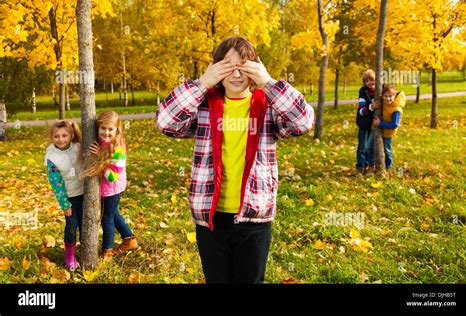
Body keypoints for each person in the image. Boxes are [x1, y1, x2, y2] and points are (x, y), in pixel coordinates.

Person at [157, 36, 314, 283]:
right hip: (211, 218)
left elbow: (304, 121)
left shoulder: (268, 106)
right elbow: (165, 122)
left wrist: (270, 83)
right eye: (228, 65)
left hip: (255, 218)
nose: (236, 73)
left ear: (256, 67)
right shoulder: (205, 106)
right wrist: (200, 84)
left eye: (244, 65)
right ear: (215, 68)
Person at [81, 111, 137, 259]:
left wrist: (100, 159)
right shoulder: (101, 142)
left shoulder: (118, 150)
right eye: (103, 128)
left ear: (117, 130)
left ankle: (107, 250)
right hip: (106, 188)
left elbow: (111, 177)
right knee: (113, 214)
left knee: (107, 218)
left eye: (110, 129)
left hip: (112, 188)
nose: (106, 132)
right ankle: (129, 240)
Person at [45, 119, 84, 270]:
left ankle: (85, 251)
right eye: (56, 136)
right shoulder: (51, 156)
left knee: (85, 224)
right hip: (70, 197)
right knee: (71, 226)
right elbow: (56, 182)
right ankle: (69, 256)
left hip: (85, 193)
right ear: (52, 137)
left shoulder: (78, 146)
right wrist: (65, 203)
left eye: (64, 135)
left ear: (72, 135)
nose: (60, 139)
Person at [373, 84, 406, 175]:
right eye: (386, 96)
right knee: (376, 148)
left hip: (388, 132)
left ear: (394, 96)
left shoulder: (396, 109)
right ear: (382, 96)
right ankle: (373, 165)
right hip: (380, 130)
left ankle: (389, 167)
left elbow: (394, 124)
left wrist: (380, 123)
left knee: (387, 150)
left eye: (390, 96)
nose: (388, 99)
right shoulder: (384, 103)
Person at [355, 69, 381, 175]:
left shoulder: (380, 90)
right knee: (362, 145)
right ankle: (361, 166)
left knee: (371, 146)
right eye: (367, 81)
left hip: (374, 123)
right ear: (364, 83)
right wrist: (371, 107)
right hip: (364, 122)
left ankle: (371, 165)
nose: (370, 82)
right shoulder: (363, 92)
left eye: (372, 80)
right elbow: (361, 111)